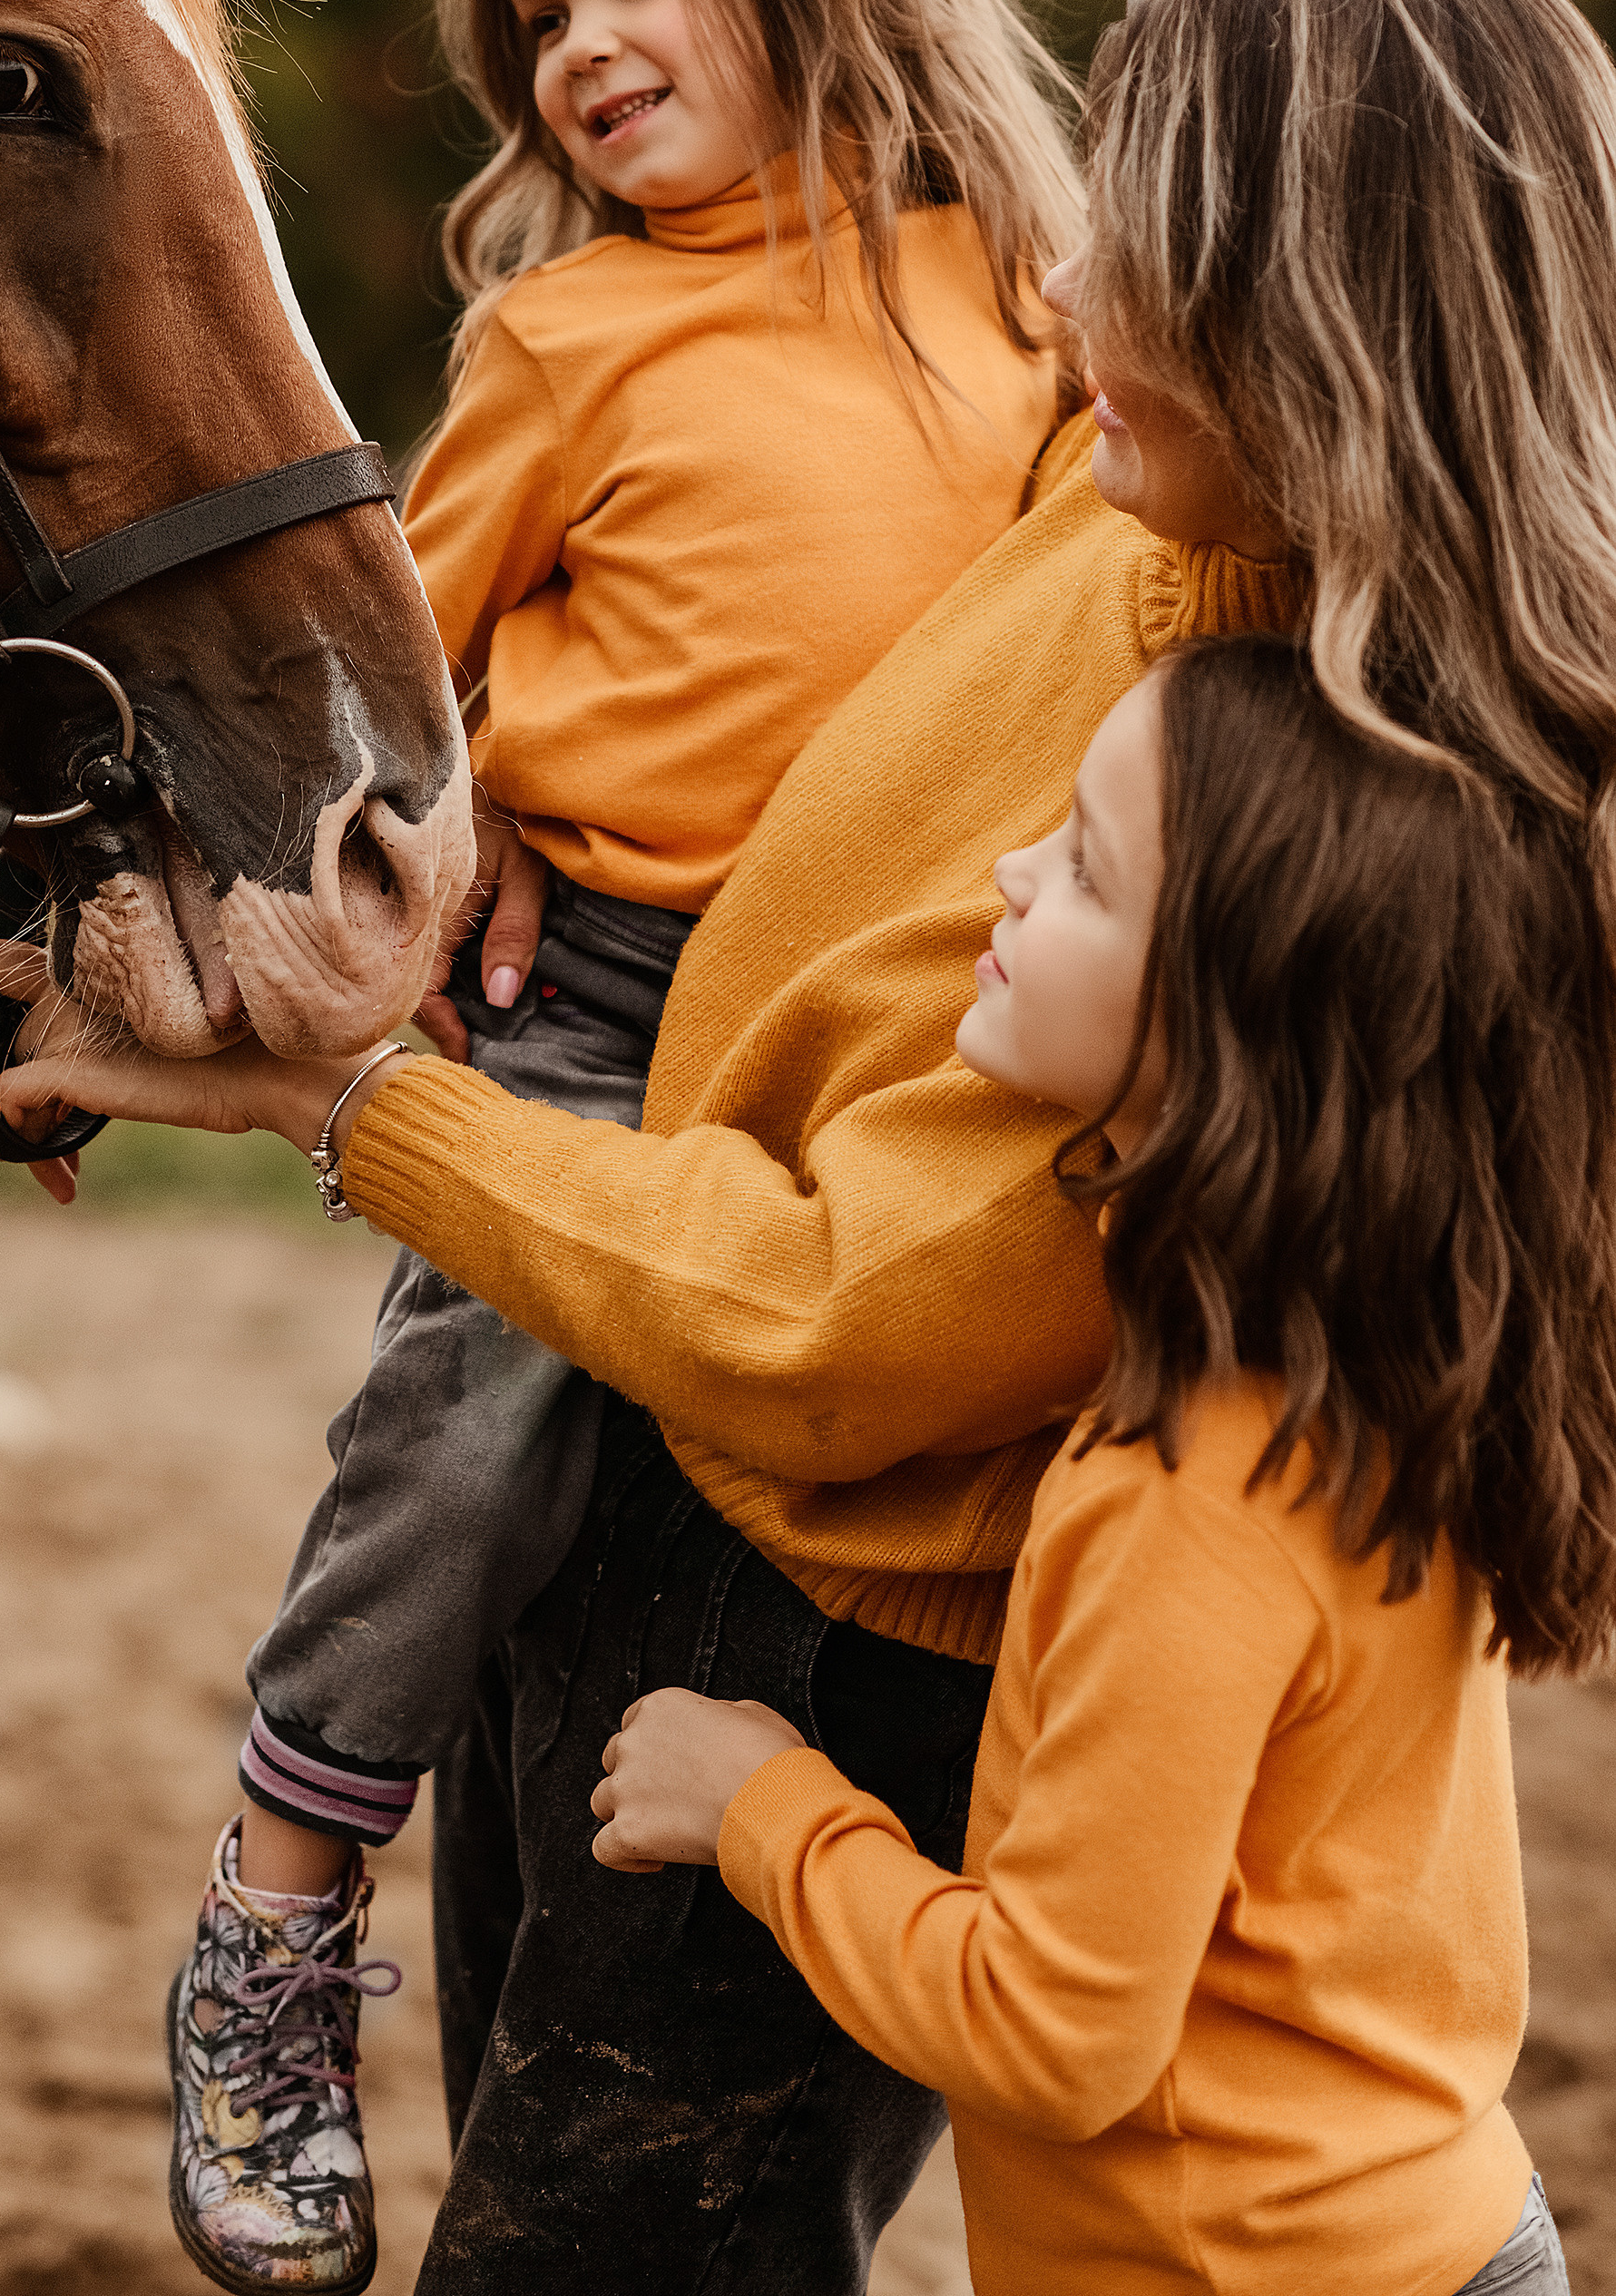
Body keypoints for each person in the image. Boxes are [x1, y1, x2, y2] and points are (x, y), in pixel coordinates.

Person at [0, 0, 1616, 2291]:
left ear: (1311, 324)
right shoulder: (1160, 476)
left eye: (1133, 253)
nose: (1060, 296)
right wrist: (501, 770)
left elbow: (856, 1319)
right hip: (661, 1427)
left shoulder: (1291, 809)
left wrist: (340, 1097)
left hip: (834, 1611)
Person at [113, 0, 1080, 2290]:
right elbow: (378, 693)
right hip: (615, 1000)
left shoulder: (1038, 304)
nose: (583, 52)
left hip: (909, 1030)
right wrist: (490, 808)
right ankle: (280, 1897)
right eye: (541, 18)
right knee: (468, 1433)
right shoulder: (570, 341)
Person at [593, 632, 1608, 2293]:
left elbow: (1054, 2031)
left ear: (1224, 1025)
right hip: (1423, 2228)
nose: (1007, 871)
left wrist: (763, 1806)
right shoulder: (1389, 1365)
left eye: (1081, 867)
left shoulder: (1190, 1497)